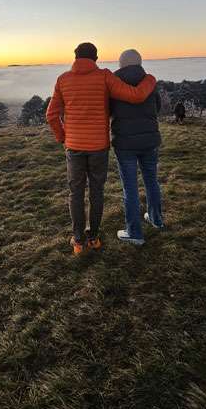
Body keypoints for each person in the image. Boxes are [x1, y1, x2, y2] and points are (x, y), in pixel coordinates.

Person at [46, 42, 157, 255]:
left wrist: (63, 137)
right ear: (95, 59)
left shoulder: (63, 80)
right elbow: (136, 95)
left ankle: (78, 241)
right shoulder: (104, 76)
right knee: (97, 192)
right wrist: (150, 79)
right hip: (98, 147)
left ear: (75, 57)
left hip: (74, 146)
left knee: (76, 193)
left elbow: (51, 115)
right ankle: (94, 238)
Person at [110, 49, 164, 246]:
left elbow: (108, 110)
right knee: (152, 181)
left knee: (130, 188)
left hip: (125, 144)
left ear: (121, 64)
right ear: (140, 63)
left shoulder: (114, 84)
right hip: (150, 141)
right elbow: (157, 107)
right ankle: (157, 220)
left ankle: (134, 232)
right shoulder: (149, 83)